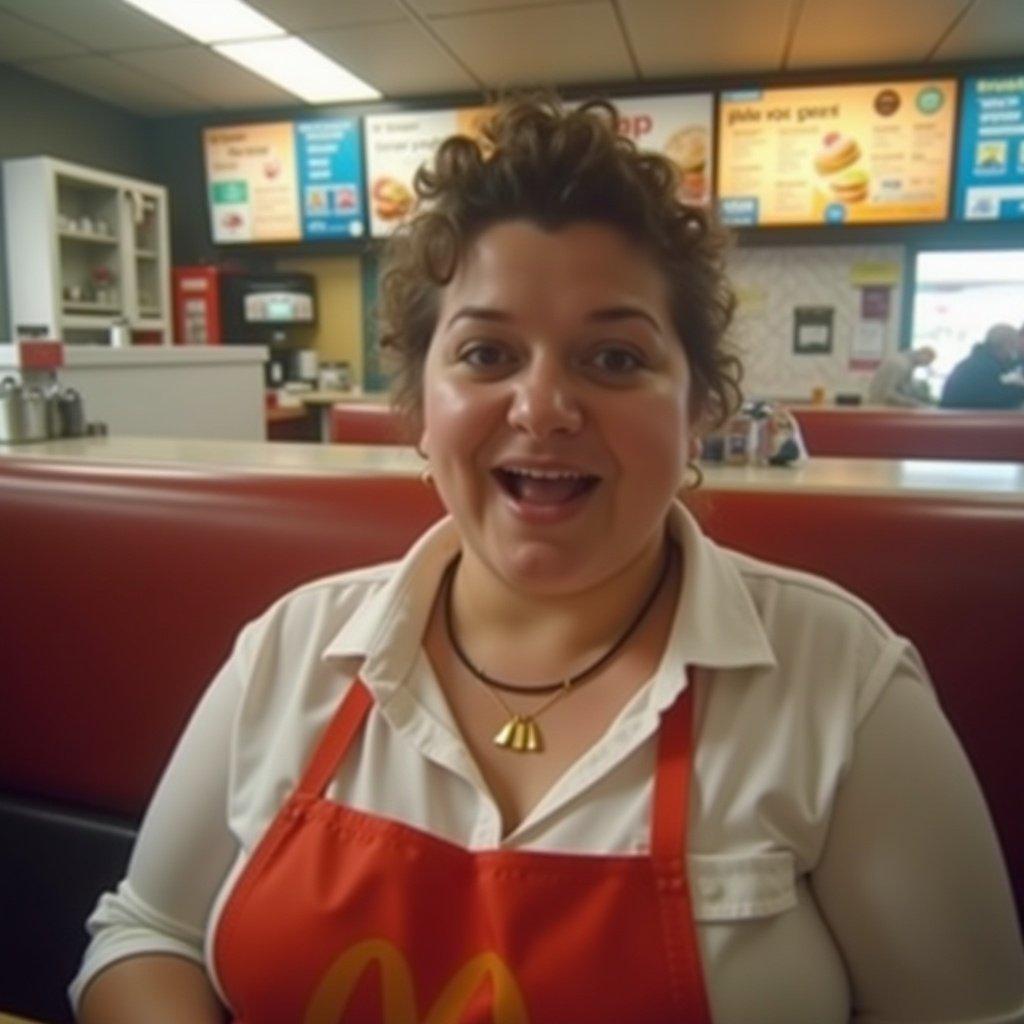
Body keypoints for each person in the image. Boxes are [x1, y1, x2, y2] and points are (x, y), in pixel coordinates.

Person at [72, 98, 1024, 1024]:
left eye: (613, 360)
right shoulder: (292, 646)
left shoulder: (845, 687)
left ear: (699, 410)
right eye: (487, 353)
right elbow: (144, 931)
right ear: (420, 407)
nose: (542, 407)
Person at [940, 323, 1024, 409]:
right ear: (1006, 344)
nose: (1015, 351)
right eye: (1013, 346)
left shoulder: (978, 362)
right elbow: (996, 399)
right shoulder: (983, 367)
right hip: (966, 420)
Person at [867, 346, 936, 406]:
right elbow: (888, 393)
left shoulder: (906, 362)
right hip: (882, 407)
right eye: (928, 362)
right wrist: (913, 403)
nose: (925, 365)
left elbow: (904, 388)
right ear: (923, 355)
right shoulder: (901, 364)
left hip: (882, 405)